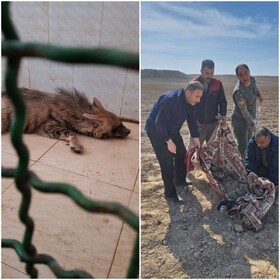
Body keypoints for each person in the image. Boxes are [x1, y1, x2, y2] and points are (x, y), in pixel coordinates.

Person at [145, 81, 204, 203]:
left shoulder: (189, 102)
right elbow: (159, 124)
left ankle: (180, 180)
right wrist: (168, 141)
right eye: (197, 96)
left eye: (200, 97)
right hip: (156, 131)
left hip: (172, 130)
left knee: (181, 153)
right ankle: (170, 194)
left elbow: (192, 120)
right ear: (188, 92)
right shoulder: (170, 100)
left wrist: (196, 138)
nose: (199, 100)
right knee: (166, 162)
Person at [189, 59, 227, 147]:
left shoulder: (218, 84)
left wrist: (223, 114)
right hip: (198, 125)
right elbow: (189, 105)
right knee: (194, 151)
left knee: (214, 152)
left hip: (213, 124)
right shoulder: (193, 84)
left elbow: (222, 101)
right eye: (207, 73)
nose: (209, 76)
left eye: (212, 73)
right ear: (201, 71)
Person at [231, 64, 263, 161]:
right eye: (241, 75)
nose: (244, 77)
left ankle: (248, 162)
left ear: (249, 72)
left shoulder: (252, 79)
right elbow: (244, 111)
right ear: (238, 76)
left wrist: (259, 96)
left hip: (250, 118)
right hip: (239, 120)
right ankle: (242, 167)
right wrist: (252, 124)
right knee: (243, 146)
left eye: (246, 73)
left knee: (249, 141)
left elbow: (254, 88)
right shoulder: (238, 92)